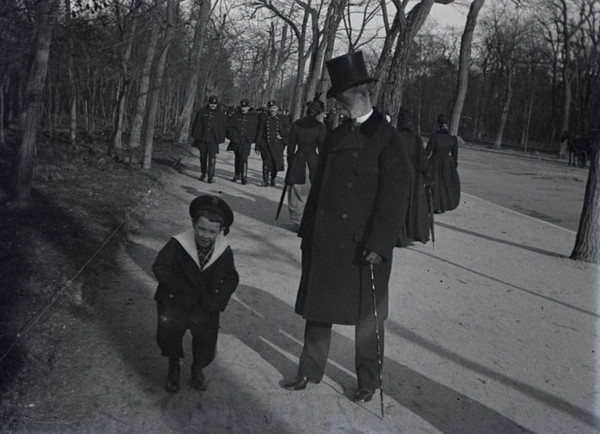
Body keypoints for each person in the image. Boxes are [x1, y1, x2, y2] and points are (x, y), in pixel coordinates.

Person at [283, 51, 410, 404]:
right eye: (338, 100)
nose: (339, 105)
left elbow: (394, 198)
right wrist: (307, 234)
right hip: (326, 241)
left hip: (364, 246)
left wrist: (380, 244)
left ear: (363, 95)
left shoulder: (388, 138)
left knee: (368, 318)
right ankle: (308, 371)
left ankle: (368, 381)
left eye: (343, 99)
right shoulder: (336, 136)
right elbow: (320, 190)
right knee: (317, 309)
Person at [152, 195, 239, 393]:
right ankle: (174, 367)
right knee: (171, 334)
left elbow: (231, 278)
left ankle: (197, 368)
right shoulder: (178, 243)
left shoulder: (223, 251)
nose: (206, 235)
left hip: (205, 304)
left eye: (212, 232)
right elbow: (160, 267)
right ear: (193, 224)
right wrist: (178, 287)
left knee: (205, 337)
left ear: (220, 232)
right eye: (201, 229)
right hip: (175, 301)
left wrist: (218, 302)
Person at [285, 96, 327, 229]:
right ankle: (307, 221)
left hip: (298, 160)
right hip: (313, 161)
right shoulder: (320, 127)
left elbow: (291, 146)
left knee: (297, 191)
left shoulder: (297, 124)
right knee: (310, 191)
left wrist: (291, 161)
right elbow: (323, 148)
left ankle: (298, 221)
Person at [396, 108, 432, 246]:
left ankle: (399, 235)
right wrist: (428, 175)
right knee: (413, 205)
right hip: (413, 175)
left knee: (399, 204)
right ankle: (412, 233)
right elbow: (422, 160)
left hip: (398, 174)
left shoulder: (395, 136)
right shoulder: (415, 138)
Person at [425, 114, 461, 213]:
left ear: (439, 124)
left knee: (435, 184)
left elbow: (427, 152)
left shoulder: (435, 136)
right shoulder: (453, 139)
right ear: (447, 124)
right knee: (445, 184)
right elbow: (455, 156)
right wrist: (453, 167)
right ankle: (443, 205)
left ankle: (435, 206)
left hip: (435, 160)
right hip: (447, 163)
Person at [191, 95, 227, 183]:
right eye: (211, 103)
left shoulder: (220, 114)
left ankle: (211, 176)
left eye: (214, 104)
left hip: (213, 139)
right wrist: (196, 136)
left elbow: (222, 127)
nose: (213, 105)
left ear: (217, 104)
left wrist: (220, 138)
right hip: (203, 138)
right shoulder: (202, 112)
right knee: (203, 156)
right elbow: (197, 124)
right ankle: (203, 174)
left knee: (212, 157)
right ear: (208, 103)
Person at [255, 100, 290, 187]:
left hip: (277, 145)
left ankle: (273, 179)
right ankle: (265, 180)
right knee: (266, 162)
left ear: (277, 108)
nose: (272, 110)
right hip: (265, 144)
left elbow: (289, 130)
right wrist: (257, 146)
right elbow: (260, 132)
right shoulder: (264, 118)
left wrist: (281, 134)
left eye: (274, 108)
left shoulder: (282, 118)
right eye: (270, 108)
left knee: (275, 163)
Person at [226, 98, 258, 185]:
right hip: (236, 141)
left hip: (246, 141)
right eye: (242, 107)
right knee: (237, 157)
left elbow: (255, 129)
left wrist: (250, 138)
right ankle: (237, 174)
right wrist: (234, 136)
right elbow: (229, 127)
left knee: (244, 158)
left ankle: (244, 177)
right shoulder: (235, 115)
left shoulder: (253, 117)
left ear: (249, 107)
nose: (244, 109)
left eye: (246, 107)